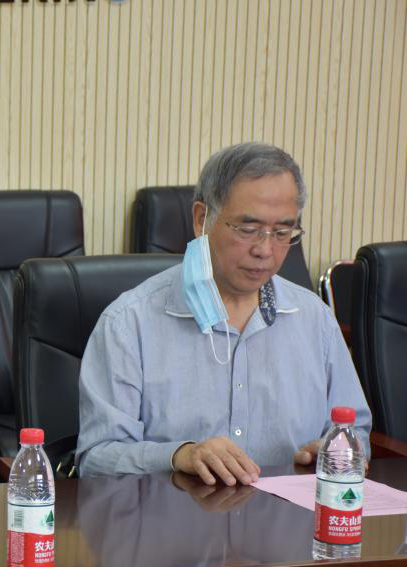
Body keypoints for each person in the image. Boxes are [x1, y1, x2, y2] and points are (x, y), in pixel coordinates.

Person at [76, 143, 370, 485]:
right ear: (202, 219)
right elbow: (96, 459)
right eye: (248, 229)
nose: (265, 250)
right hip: (174, 516)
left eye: (282, 232)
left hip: (289, 517)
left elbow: (355, 432)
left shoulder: (315, 319)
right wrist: (178, 456)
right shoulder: (129, 323)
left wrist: (340, 452)